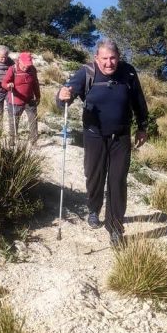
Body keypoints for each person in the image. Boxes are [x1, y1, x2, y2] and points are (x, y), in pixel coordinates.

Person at [57, 38, 149, 246]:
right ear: (96, 58)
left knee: (117, 181)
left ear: (119, 58)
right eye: (105, 58)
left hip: (121, 136)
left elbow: (139, 101)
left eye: (113, 58)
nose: (109, 63)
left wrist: (143, 127)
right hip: (94, 135)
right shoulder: (86, 73)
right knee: (95, 177)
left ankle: (115, 227)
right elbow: (66, 96)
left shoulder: (129, 72)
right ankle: (93, 208)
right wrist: (62, 96)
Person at [1, 51, 41, 148]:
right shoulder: (12, 69)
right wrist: (8, 85)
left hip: (30, 100)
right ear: (19, 61)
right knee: (13, 121)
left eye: (28, 65)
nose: (26, 67)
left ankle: (34, 142)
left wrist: (38, 96)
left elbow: (35, 83)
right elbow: (4, 83)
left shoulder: (32, 70)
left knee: (33, 121)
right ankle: (12, 140)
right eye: (25, 64)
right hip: (15, 100)